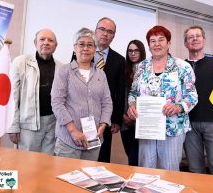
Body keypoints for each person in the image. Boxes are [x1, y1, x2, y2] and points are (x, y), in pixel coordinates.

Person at [127, 25, 198, 170]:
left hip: (172, 128)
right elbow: (133, 93)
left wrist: (178, 107)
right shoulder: (141, 67)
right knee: (145, 170)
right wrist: (132, 106)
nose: (157, 44)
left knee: (169, 171)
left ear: (169, 43)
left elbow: (192, 95)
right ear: (148, 45)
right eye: (153, 41)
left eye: (161, 40)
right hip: (147, 128)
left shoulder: (182, 67)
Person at [51, 28, 113, 161]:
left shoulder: (101, 74)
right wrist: (73, 131)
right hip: (68, 140)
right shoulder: (64, 71)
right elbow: (57, 103)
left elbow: (107, 103)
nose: (85, 48)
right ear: (74, 48)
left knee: (88, 180)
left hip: (93, 140)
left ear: (95, 49)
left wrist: (102, 126)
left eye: (90, 45)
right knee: (64, 179)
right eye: (81, 44)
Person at [183, 25, 213, 176]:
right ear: (186, 43)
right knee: (195, 169)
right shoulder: (181, 66)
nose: (195, 39)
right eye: (190, 37)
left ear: (204, 40)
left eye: (198, 36)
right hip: (189, 124)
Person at [7, 29, 62, 155]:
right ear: (35, 43)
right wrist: (13, 126)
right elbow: (12, 97)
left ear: (55, 46)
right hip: (28, 125)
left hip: (53, 124)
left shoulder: (61, 67)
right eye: (42, 39)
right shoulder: (21, 62)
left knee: (47, 164)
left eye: (51, 40)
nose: (46, 43)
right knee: (27, 164)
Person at [94, 17, 126, 163]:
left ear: (113, 36)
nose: (105, 34)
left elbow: (119, 92)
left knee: (103, 154)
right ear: (95, 31)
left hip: (105, 117)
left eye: (110, 32)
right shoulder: (81, 52)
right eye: (102, 29)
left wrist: (117, 119)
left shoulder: (119, 60)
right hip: (81, 114)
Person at [121, 40, 146, 166]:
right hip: (125, 120)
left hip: (141, 120)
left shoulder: (147, 70)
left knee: (136, 157)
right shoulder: (122, 70)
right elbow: (118, 95)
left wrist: (135, 118)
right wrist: (123, 115)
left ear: (141, 52)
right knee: (129, 153)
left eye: (136, 50)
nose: (133, 53)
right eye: (130, 50)